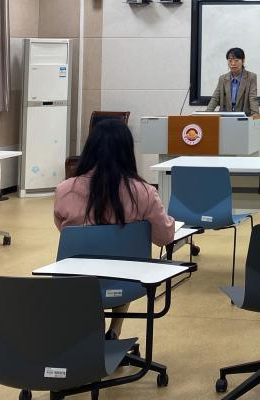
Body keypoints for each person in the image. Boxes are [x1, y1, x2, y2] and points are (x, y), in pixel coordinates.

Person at [54, 119, 174, 336]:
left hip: (76, 282)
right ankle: (115, 329)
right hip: (127, 282)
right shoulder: (144, 192)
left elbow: (64, 231)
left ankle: (91, 330)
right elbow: (164, 237)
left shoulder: (64, 190)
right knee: (125, 261)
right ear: (127, 151)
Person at [206, 47, 259, 117]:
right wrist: (206, 114)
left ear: (243, 61)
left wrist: (255, 114)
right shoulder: (222, 78)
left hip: (244, 117)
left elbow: (253, 98)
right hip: (225, 117)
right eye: (230, 60)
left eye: (236, 60)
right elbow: (215, 98)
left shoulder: (251, 77)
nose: (233, 63)